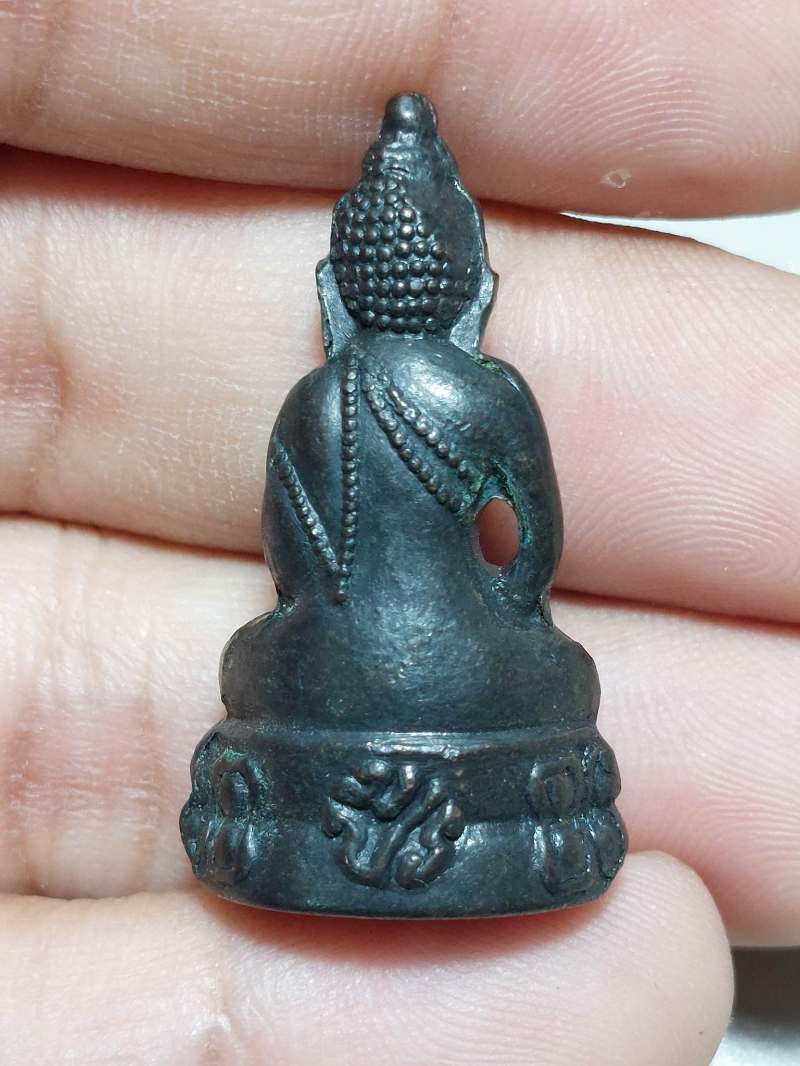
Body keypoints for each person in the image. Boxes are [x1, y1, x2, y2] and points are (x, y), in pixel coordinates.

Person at [0, 3, 798, 1063]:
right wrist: (500, 616)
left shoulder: (313, 399)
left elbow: (292, 572)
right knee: (561, 673)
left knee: (253, 658)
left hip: (327, 657)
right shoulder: (485, 389)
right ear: (471, 281)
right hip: (473, 664)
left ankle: (289, 822)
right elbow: (537, 551)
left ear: (338, 286)